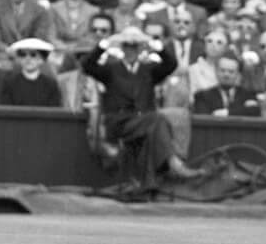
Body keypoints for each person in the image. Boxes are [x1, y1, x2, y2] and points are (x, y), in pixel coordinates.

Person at [80, 25, 193, 183]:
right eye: (127, 46)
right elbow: (87, 65)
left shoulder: (149, 70)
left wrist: (154, 44)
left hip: (144, 121)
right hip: (120, 122)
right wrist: (106, 43)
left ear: (140, 49)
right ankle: (172, 162)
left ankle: (148, 183)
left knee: (154, 125)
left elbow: (171, 65)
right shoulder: (110, 69)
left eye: (135, 46)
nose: (131, 50)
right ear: (122, 48)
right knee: (157, 120)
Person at [0, 37, 63, 106]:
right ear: (19, 59)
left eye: (33, 55)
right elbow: (5, 110)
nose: (27, 59)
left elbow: (54, 111)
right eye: (23, 55)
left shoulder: (51, 84)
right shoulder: (10, 83)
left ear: (41, 59)